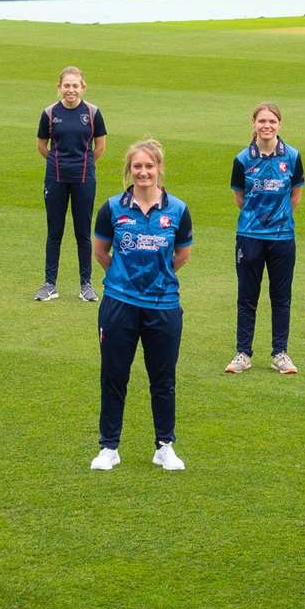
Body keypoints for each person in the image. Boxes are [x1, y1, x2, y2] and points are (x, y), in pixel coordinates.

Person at [90, 139, 191, 472]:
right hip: (119, 303)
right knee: (114, 375)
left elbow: (182, 255)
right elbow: (101, 251)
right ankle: (109, 447)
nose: (143, 172)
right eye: (138, 167)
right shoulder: (112, 209)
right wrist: (124, 278)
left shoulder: (177, 209)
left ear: (159, 169)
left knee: (163, 378)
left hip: (163, 306)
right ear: (129, 170)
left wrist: (157, 278)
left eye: (149, 166)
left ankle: (164, 446)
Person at [226, 102, 304, 376]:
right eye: (262, 121)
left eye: (272, 121)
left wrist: (279, 218)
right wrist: (259, 220)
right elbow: (240, 197)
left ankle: (279, 353)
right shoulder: (243, 159)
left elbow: (295, 194)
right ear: (254, 124)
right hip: (250, 235)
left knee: (281, 296)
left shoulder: (292, 156)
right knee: (247, 295)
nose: (267, 126)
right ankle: (243, 353)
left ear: (279, 124)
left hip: (282, 236)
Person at [36, 66, 107, 303]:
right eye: (66, 85)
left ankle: (86, 285)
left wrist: (82, 164)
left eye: (75, 86)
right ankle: (49, 285)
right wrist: (58, 163)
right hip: (55, 179)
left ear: (83, 87)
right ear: (59, 87)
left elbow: (100, 148)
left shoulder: (93, 112)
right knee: (54, 232)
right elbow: (42, 146)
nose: (70, 90)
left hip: (84, 179)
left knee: (82, 233)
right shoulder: (48, 113)